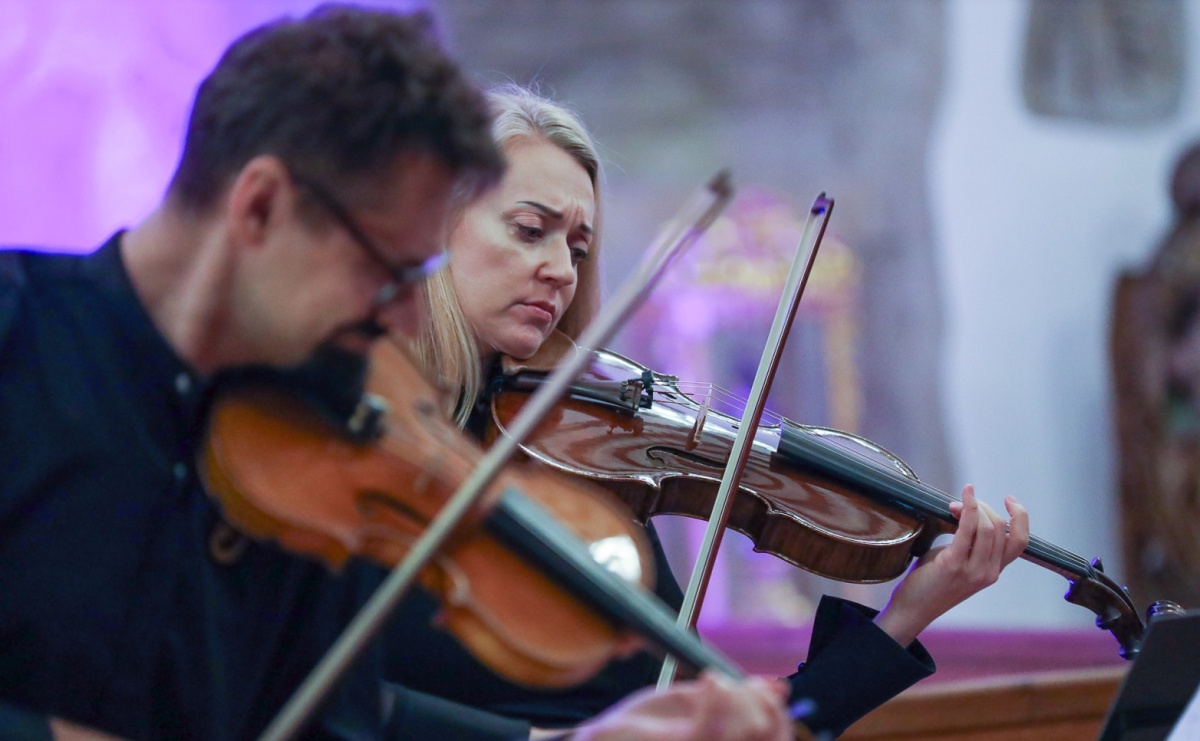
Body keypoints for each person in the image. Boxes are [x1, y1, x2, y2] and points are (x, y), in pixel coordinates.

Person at [0, 7, 799, 741]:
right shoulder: (16, 337)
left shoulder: (322, 439)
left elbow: (339, 721)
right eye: (389, 275)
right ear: (261, 207)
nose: (410, 319)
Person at [389, 84, 1032, 738]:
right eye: (530, 230)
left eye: (578, 250)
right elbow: (326, 701)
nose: (561, 270)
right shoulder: (353, 455)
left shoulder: (577, 465)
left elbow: (727, 728)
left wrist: (902, 620)